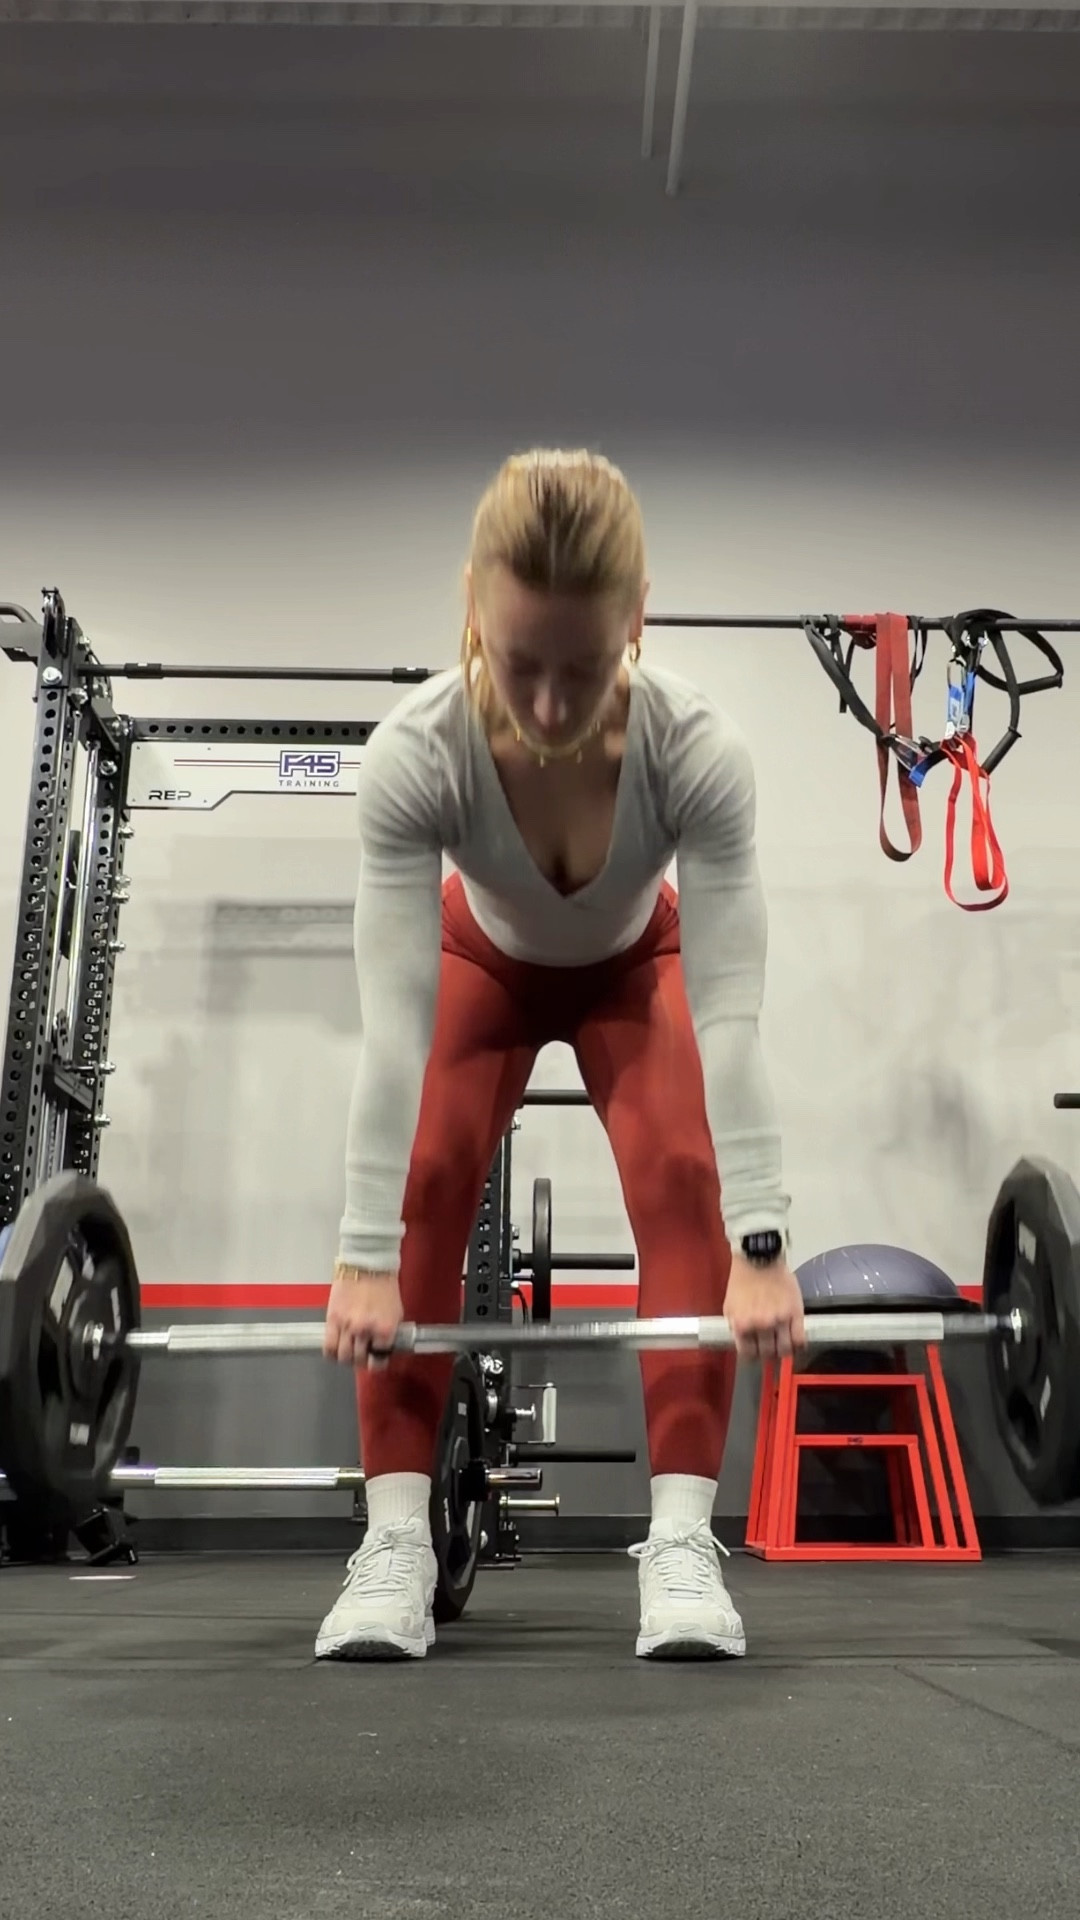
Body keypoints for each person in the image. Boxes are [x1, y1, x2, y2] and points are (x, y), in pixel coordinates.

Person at [315, 448, 805, 1664]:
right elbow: (393, 1028)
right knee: (429, 1178)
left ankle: (683, 1543)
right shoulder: (414, 755)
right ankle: (393, 1546)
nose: (545, 707)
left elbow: (732, 1017)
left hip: (634, 970)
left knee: (684, 1183)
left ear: (637, 622)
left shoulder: (698, 752)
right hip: (481, 963)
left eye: (581, 670)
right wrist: (363, 1256)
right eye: (518, 665)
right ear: (472, 618)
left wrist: (764, 1242)